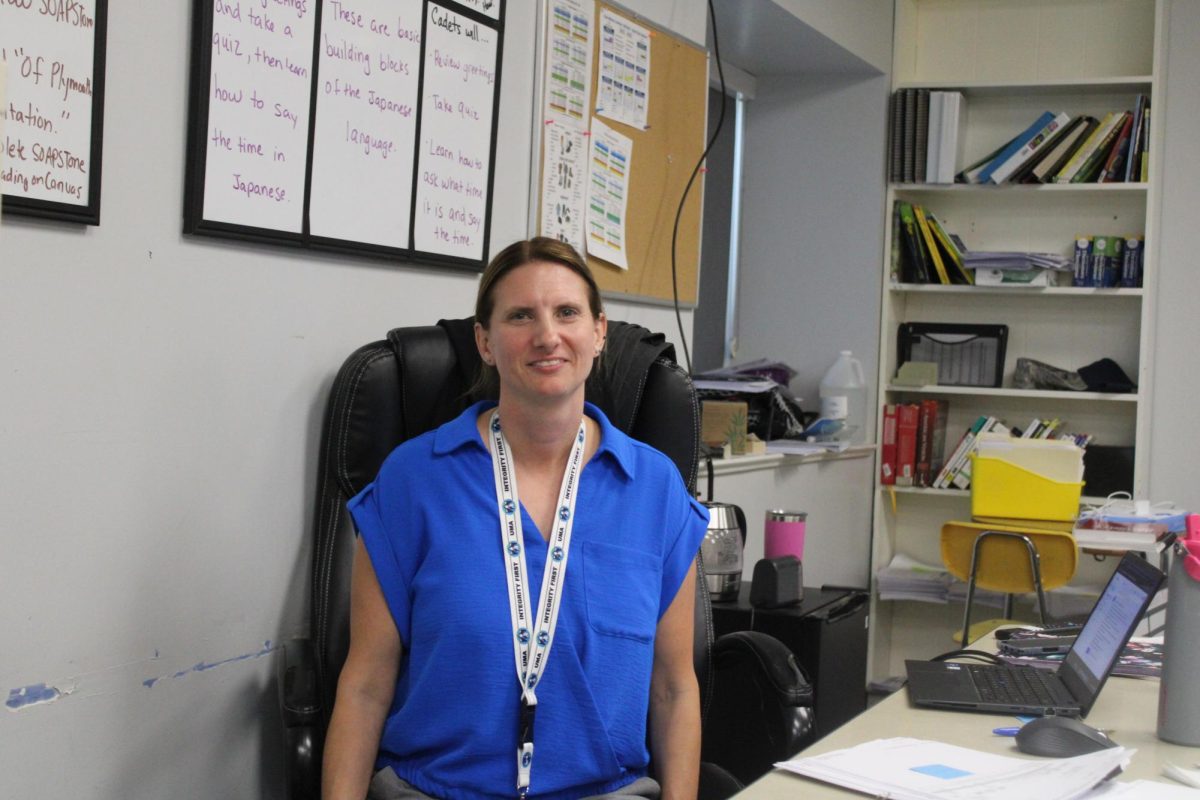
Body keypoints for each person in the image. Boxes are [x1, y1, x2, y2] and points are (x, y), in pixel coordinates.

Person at [322, 238, 710, 800]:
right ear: (484, 340)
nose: (547, 336)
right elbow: (364, 686)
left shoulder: (654, 489)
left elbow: (674, 690)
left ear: (599, 333)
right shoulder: (413, 480)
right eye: (521, 315)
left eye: (567, 313)